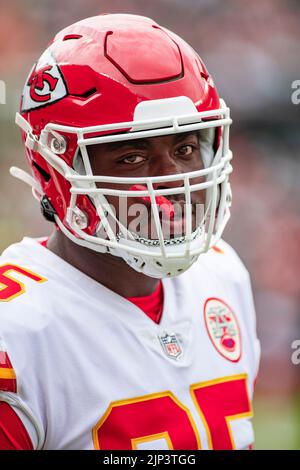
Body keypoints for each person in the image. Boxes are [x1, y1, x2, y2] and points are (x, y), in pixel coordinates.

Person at [0, 13, 260, 450]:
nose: (173, 181)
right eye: (132, 158)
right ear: (54, 169)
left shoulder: (223, 274)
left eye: (185, 149)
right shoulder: (17, 330)